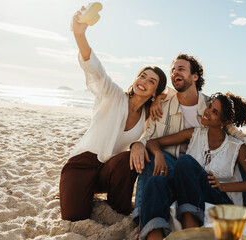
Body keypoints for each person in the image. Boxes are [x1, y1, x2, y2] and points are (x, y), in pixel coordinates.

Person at [58, 6, 167, 221]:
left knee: (129, 158)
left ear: (155, 91)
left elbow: (174, 94)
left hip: (109, 170)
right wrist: (80, 34)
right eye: (142, 76)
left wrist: (162, 99)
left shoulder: (148, 116)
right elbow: (94, 68)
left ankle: (118, 206)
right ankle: (81, 193)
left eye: (151, 81)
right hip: (82, 165)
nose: (143, 82)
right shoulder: (112, 94)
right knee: (74, 216)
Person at [129, 54, 246, 222]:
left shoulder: (211, 104)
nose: (174, 73)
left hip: (201, 170)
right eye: (172, 70)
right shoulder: (162, 105)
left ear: (195, 76)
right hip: (172, 164)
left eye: (181, 69)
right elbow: (149, 136)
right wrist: (138, 145)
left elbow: (234, 132)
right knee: (149, 156)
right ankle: (141, 217)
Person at [140, 92, 246, 240]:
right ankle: (154, 236)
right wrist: (158, 154)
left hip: (219, 198)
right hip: (191, 193)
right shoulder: (194, 134)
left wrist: (224, 187)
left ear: (224, 121)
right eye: (210, 107)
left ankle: (190, 227)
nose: (207, 112)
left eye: (214, 112)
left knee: (185, 161)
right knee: (157, 181)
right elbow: (153, 142)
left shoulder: (237, 147)